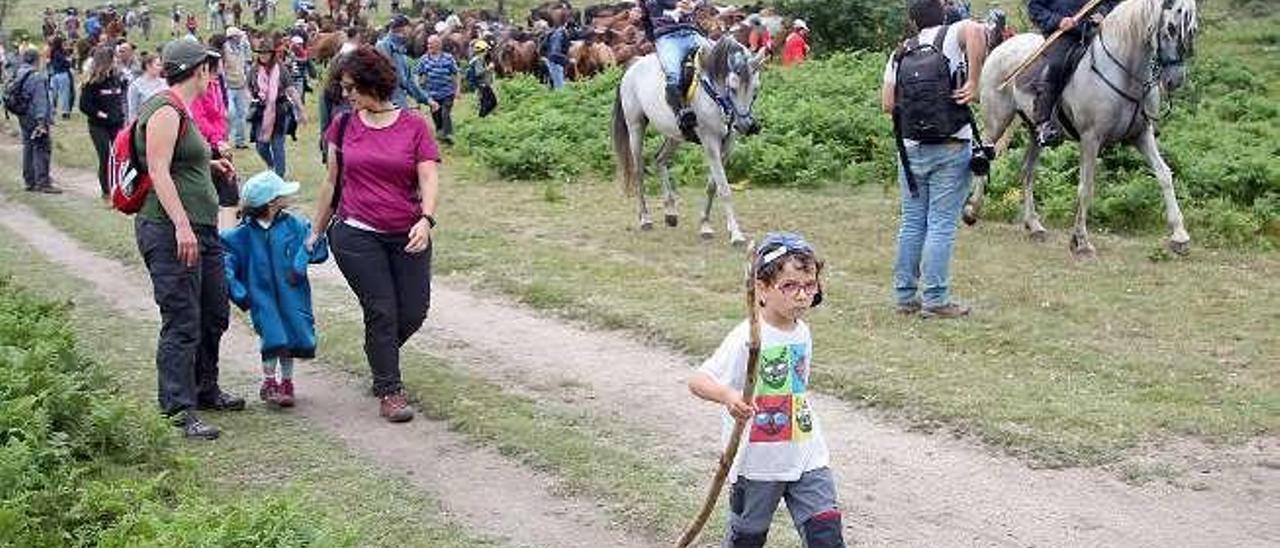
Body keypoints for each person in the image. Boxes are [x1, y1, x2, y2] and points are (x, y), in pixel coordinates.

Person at [308, 45, 440, 423]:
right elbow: (332, 181)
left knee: (413, 311)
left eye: (351, 87)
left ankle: (380, 353)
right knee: (381, 309)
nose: (346, 94)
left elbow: (429, 175)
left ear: (372, 83)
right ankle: (390, 389)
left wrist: (426, 219)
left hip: (408, 231)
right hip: (355, 233)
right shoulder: (343, 125)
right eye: (343, 87)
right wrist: (315, 232)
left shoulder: (414, 125)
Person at [688, 232, 845, 548]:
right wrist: (730, 397)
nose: (802, 295)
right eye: (790, 286)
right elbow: (699, 380)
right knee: (747, 540)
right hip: (756, 463)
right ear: (761, 288)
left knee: (826, 535)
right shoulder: (747, 337)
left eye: (809, 285)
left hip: (806, 454)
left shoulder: (803, 332)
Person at [134, 38, 245, 440]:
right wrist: (181, 223)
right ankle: (178, 409)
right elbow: (160, 171)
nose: (212, 74)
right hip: (170, 230)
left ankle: (205, 388)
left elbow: (181, 162)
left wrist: (210, 165)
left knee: (214, 309)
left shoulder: (183, 109)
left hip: (202, 227)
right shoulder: (164, 108)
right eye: (208, 67)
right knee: (182, 318)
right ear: (196, 70)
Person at [880, 0, 987, 318]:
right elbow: (977, 30)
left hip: (911, 148)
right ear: (942, 14)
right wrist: (974, 80)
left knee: (912, 223)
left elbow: (887, 104)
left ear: (913, 22)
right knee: (941, 224)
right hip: (951, 144)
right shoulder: (953, 33)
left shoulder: (900, 52)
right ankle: (936, 300)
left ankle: (905, 296)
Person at [222, 170, 328, 408]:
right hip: (262, 298)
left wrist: (301, 262)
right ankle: (270, 382)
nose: (288, 196)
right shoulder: (241, 235)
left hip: (293, 296)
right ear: (270, 202)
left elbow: (316, 244)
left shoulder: (296, 225)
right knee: (273, 338)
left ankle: (287, 383)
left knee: (292, 337)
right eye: (282, 193)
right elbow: (225, 265)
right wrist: (240, 293)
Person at [1027, 0, 1116, 147]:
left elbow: (1112, 2)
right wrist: (1058, 21)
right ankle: (1043, 123)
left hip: (1095, 31)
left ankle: (1137, 115)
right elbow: (1035, 8)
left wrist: (1104, 13)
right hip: (1061, 34)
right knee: (1057, 65)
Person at [643, 0, 710, 142]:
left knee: (720, 60)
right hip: (667, 37)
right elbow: (645, 16)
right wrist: (652, 39)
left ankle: (733, 106)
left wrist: (696, 4)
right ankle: (682, 116)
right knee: (673, 75)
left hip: (692, 32)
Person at [191, 34, 238, 226]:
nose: (222, 67)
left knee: (230, 194)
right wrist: (216, 140)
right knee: (209, 194)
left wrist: (223, 138)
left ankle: (228, 235)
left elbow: (220, 115)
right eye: (218, 64)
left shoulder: (217, 84)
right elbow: (200, 119)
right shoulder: (198, 88)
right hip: (206, 145)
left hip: (220, 143)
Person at [248, 36, 304, 176]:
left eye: (266, 53)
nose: (263, 55)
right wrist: (252, 100)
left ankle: (279, 177)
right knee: (261, 146)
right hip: (261, 111)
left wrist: (300, 109)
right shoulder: (254, 70)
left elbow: (291, 89)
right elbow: (248, 87)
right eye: (260, 53)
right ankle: (271, 165)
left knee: (277, 145)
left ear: (272, 54)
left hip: (279, 110)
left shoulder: (280, 69)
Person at [79, 46, 127, 201]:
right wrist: (103, 115)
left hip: (117, 124)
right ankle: (106, 191)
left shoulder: (117, 78)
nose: (116, 61)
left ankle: (118, 187)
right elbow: (84, 105)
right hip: (98, 125)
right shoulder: (92, 82)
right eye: (113, 59)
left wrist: (121, 115)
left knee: (118, 156)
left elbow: (120, 99)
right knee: (106, 156)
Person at [13, 48, 60, 194]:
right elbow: (40, 100)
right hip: (36, 117)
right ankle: (43, 182)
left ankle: (30, 180)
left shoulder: (19, 73)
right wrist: (42, 121)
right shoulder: (36, 77)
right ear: (36, 59)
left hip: (24, 115)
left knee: (28, 146)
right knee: (42, 147)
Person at [375, 15, 432, 110]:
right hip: (389, 104)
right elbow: (391, 77)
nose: (411, 31)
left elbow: (409, 82)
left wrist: (427, 99)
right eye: (410, 28)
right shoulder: (384, 47)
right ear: (404, 28)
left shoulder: (400, 49)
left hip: (400, 102)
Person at [417, 34, 458, 144]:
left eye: (431, 43)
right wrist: (419, 90)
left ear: (438, 45)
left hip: (447, 92)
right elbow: (420, 75)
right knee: (436, 116)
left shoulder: (448, 58)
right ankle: (440, 134)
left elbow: (455, 74)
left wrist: (457, 90)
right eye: (428, 43)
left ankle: (448, 135)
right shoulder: (424, 59)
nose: (428, 46)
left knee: (445, 114)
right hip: (432, 95)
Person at [223, 26, 252, 149]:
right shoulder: (224, 50)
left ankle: (240, 141)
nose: (240, 38)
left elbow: (246, 64)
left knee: (243, 114)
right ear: (233, 37)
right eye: (238, 36)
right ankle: (224, 139)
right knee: (231, 113)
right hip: (228, 86)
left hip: (241, 85)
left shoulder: (242, 48)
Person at [128, 51, 168, 122]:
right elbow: (132, 112)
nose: (161, 68)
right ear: (148, 66)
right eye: (158, 65)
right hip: (144, 124)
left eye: (161, 65)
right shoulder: (136, 86)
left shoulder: (165, 83)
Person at [467, 39, 498, 117]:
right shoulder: (478, 60)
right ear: (484, 50)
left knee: (486, 102)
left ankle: (483, 117)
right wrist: (489, 68)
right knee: (491, 102)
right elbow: (479, 73)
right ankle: (482, 117)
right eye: (487, 49)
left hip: (480, 84)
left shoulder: (475, 59)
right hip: (482, 84)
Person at [46, 37, 75, 120]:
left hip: (54, 74)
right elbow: (66, 63)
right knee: (65, 94)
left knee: (53, 94)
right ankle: (65, 112)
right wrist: (69, 60)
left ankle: (52, 110)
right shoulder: (59, 53)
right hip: (62, 74)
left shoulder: (52, 52)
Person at [540, 20, 569, 90]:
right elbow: (555, 51)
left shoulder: (552, 33)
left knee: (554, 79)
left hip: (552, 58)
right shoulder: (559, 33)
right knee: (559, 83)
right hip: (556, 59)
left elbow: (543, 47)